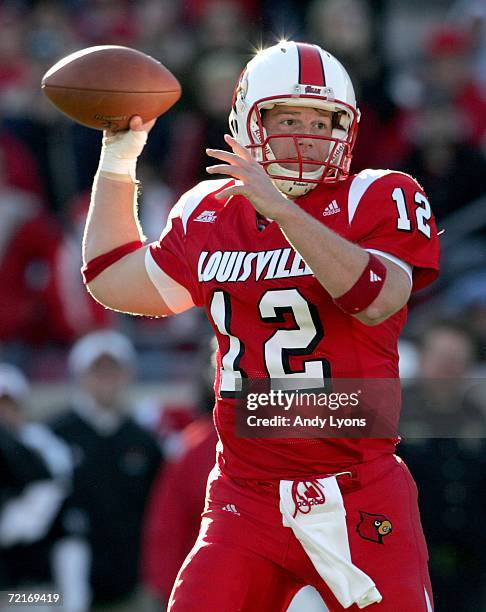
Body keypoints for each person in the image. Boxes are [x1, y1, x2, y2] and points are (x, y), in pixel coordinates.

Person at [82, 42, 440, 611]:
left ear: (347, 129)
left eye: (322, 120)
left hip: (360, 488)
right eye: (288, 117)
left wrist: (283, 210)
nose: (306, 133)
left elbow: (376, 297)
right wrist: (118, 159)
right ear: (249, 122)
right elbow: (112, 278)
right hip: (246, 497)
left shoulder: (378, 193)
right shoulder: (210, 211)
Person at [49, 330, 163, 611]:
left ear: (127, 374)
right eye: (97, 370)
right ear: (80, 375)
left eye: (113, 369)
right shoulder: (56, 434)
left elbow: (159, 510)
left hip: (130, 581)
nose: (106, 378)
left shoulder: (143, 440)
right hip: (66, 584)